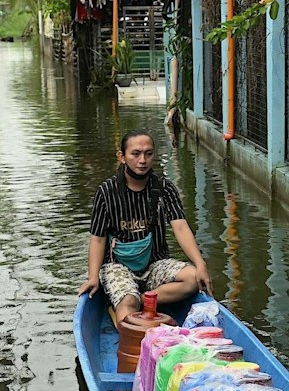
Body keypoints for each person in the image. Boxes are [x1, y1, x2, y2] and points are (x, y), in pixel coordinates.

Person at [80, 130, 212, 324]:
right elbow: (98, 239)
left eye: (148, 154)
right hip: (117, 266)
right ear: (122, 157)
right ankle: (128, 307)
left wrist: (200, 264)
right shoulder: (107, 192)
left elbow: (181, 227)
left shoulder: (164, 188)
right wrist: (93, 277)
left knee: (193, 278)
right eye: (136, 154)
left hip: (155, 264)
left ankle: (144, 301)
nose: (142, 160)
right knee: (128, 301)